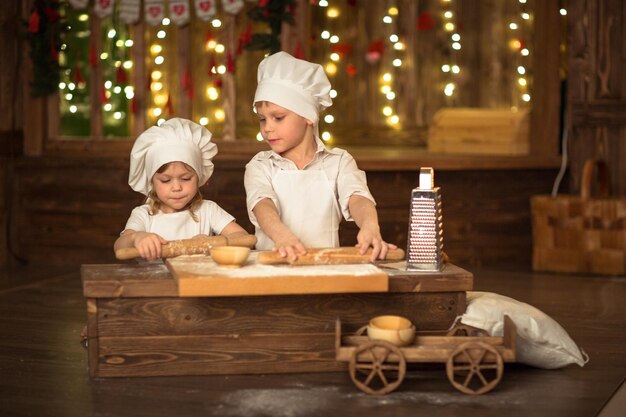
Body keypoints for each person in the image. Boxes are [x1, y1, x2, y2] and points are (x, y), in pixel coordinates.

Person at [244, 51, 396, 262]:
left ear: (308, 116)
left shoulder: (339, 162)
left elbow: (357, 198)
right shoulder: (260, 165)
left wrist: (370, 225)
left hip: (323, 272)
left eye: (278, 118)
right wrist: (281, 234)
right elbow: (262, 205)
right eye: (262, 119)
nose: (267, 128)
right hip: (270, 272)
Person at [114, 117, 248, 260]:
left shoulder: (208, 210)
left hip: (197, 280)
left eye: (185, 179)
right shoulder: (144, 215)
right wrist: (136, 237)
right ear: (152, 182)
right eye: (165, 180)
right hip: (155, 282)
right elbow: (120, 246)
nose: (176, 187)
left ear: (199, 177)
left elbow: (244, 239)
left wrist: (213, 243)